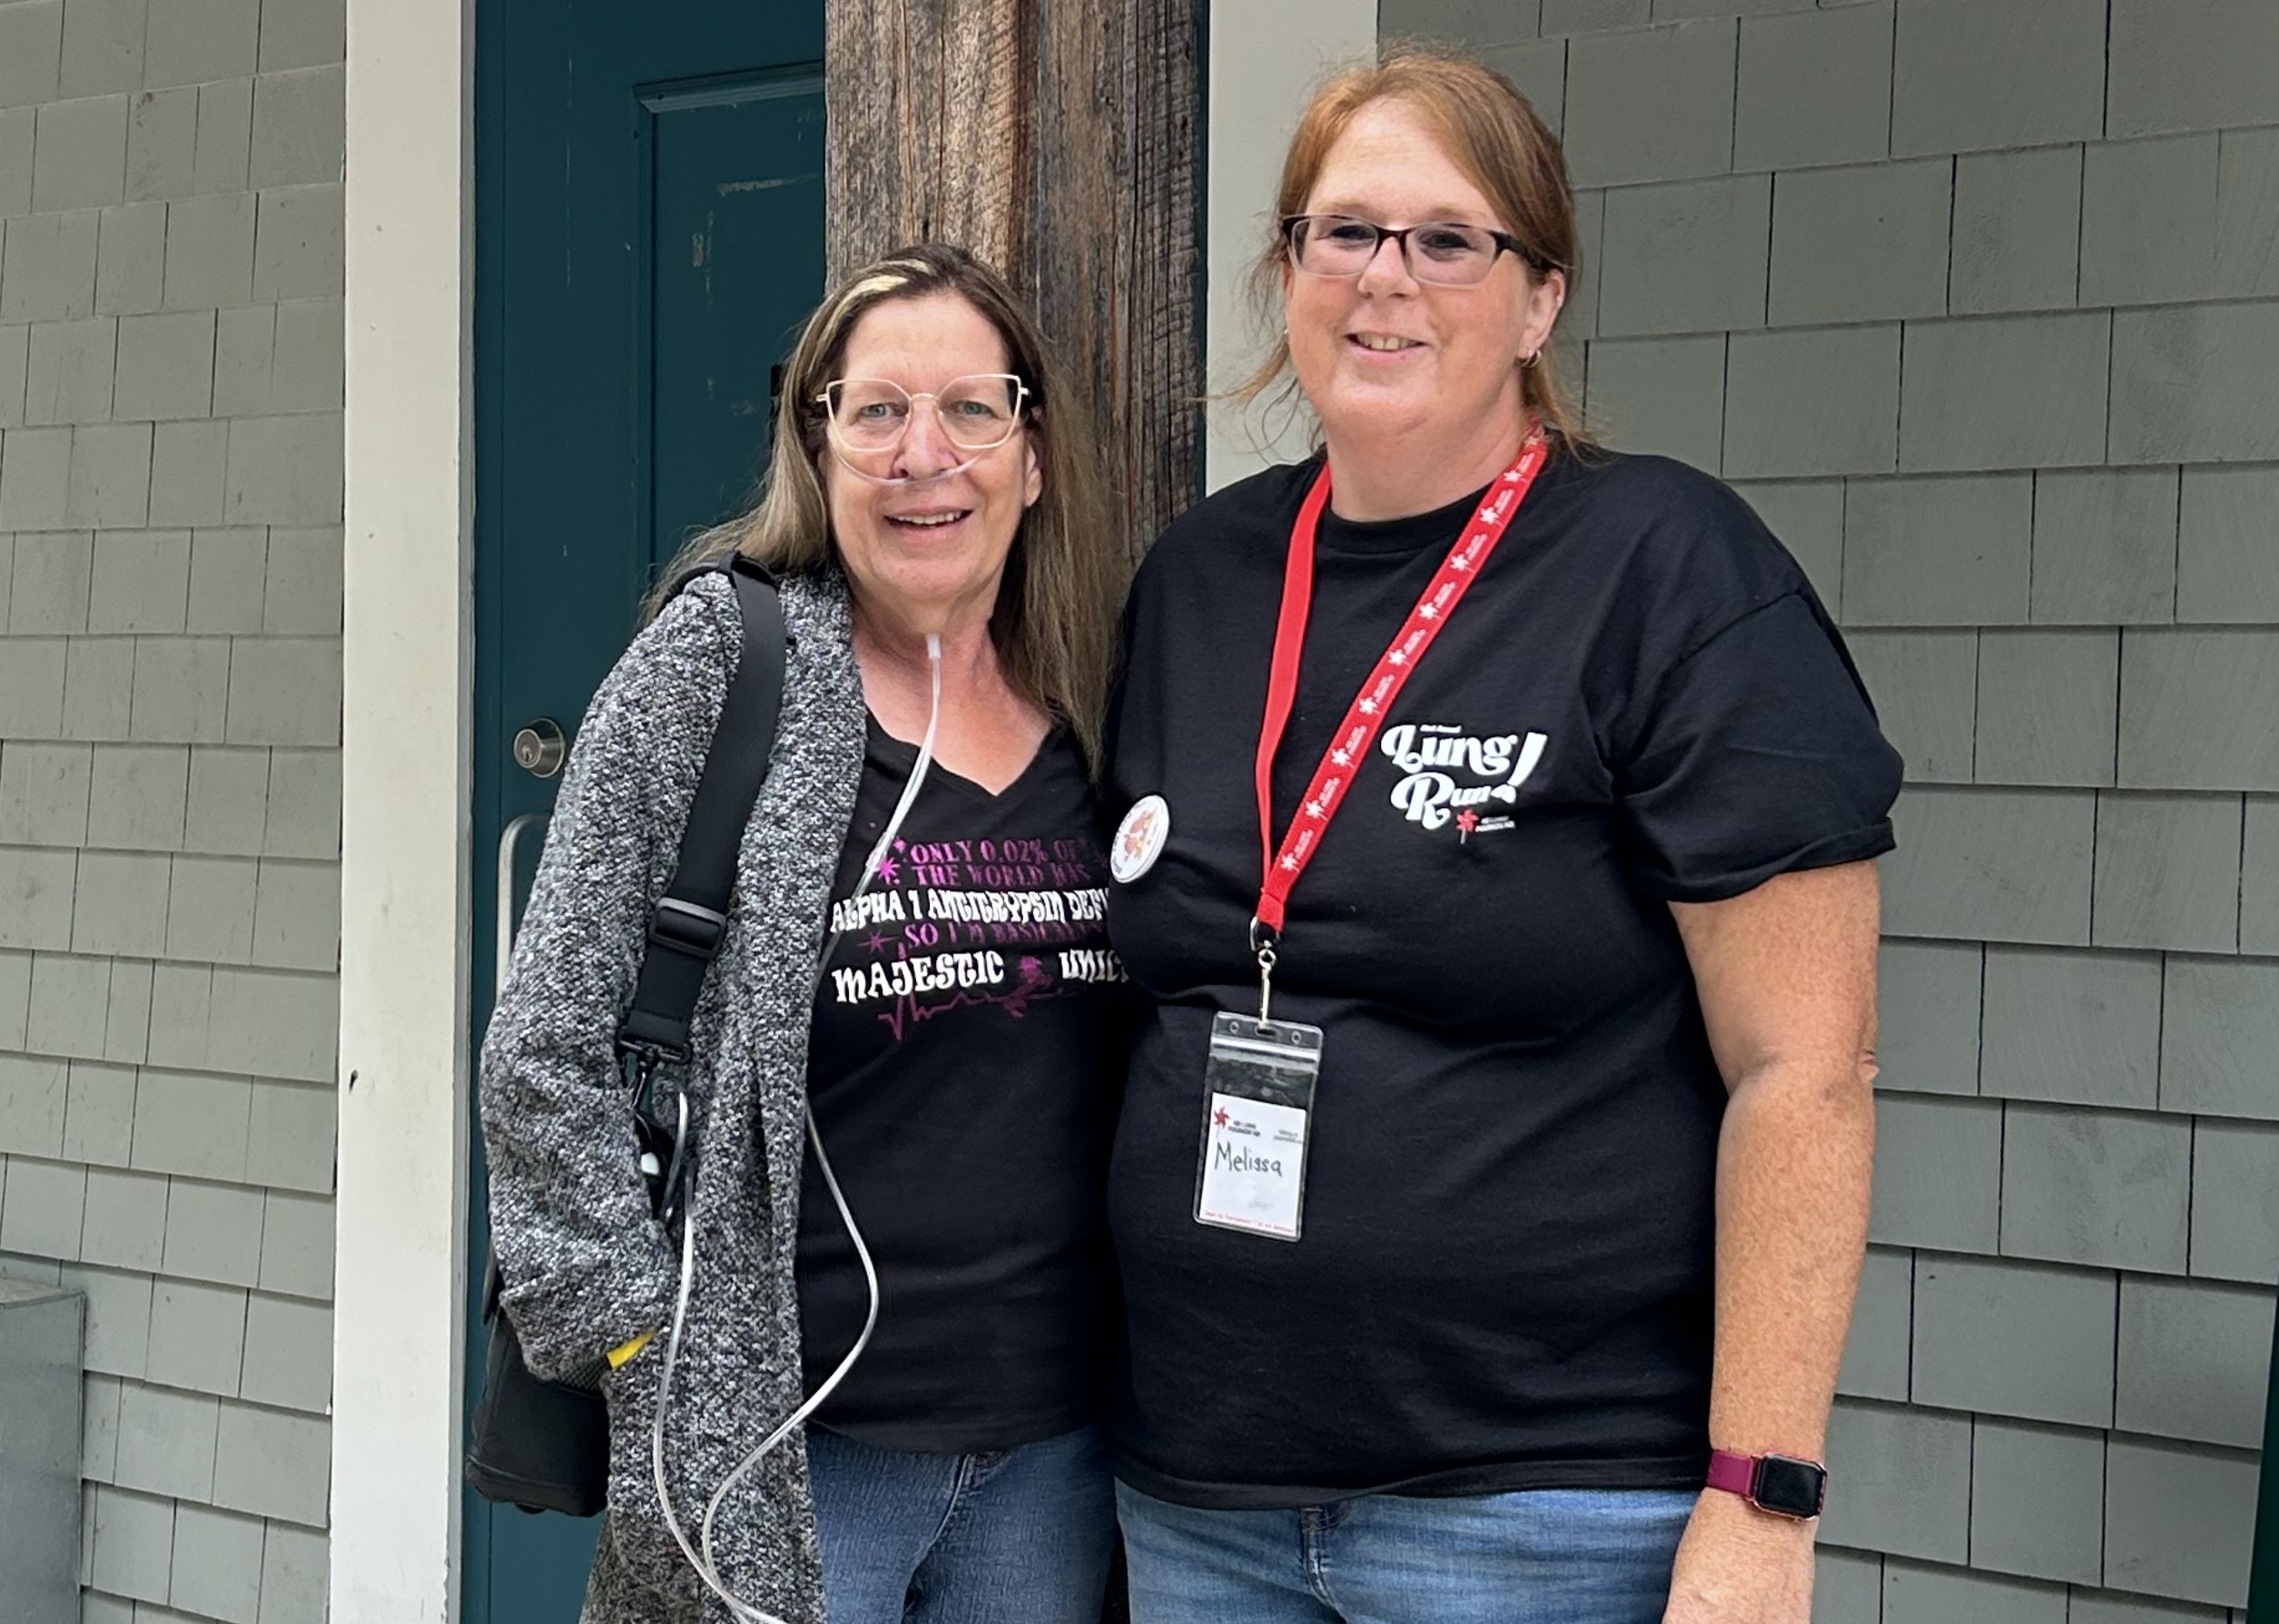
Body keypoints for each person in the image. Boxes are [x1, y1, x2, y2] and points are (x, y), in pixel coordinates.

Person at [1101, 47, 1901, 1624]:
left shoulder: (1667, 570)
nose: (1384, 281)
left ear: (1538, 298)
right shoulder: (1197, 578)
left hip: (1537, 1506)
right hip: (1196, 1493)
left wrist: (1761, 1503)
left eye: (1446, 238)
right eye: (1343, 232)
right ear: (1286, 270)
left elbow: (1805, 1070)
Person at [481, 243, 1130, 1624]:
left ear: (1033, 454)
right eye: (875, 410)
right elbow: (544, 1043)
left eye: (970, 408)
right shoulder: (722, 665)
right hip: (785, 1443)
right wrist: (642, 1344)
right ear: (818, 445)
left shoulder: (1101, 696)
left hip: (1054, 1453)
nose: (922, 455)